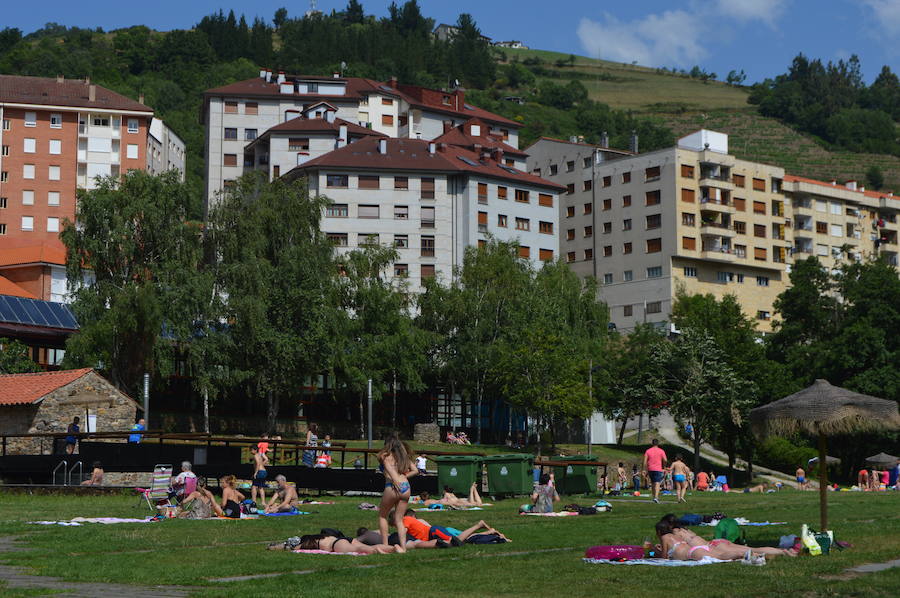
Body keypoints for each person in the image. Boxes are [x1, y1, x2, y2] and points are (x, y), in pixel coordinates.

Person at [658, 514, 795, 562]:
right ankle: (783, 551)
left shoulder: (673, 534)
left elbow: (674, 550)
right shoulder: (685, 529)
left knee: (728, 555)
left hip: (713, 546)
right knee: (752, 548)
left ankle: (758, 556)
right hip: (719, 542)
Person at [377, 434, 417, 552]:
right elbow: (415, 470)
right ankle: (403, 548)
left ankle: (386, 546)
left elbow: (389, 469)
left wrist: (394, 480)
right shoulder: (403, 457)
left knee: (382, 515)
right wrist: (404, 476)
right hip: (406, 486)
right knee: (399, 520)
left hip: (393, 486)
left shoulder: (385, 456)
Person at [643, 438, 668, 503]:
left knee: (653, 483)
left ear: (652, 443)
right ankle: (656, 497)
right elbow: (665, 460)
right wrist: (664, 466)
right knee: (657, 483)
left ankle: (654, 497)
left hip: (650, 469)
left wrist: (644, 469)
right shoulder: (661, 451)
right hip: (658, 469)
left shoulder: (648, 451)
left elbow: (645, 461)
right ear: (658, 444)